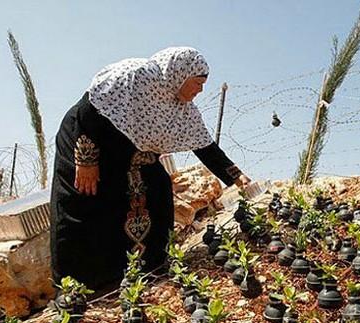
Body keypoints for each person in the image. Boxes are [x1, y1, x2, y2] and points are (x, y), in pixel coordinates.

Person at [50, 46, 250, 292]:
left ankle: (148, 265)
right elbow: (87, 110)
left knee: (157, 190)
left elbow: (205, 146)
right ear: (179, 74)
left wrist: (236, 176)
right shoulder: (133, 76)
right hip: (86, 144)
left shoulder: (181, 109)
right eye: (197, 83)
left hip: (130, 157)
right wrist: (86, 158)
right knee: (86, 203)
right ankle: (79, 286)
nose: (200, 90)